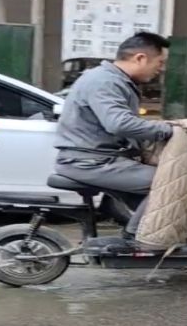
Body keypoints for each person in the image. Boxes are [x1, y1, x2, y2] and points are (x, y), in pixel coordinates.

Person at [54, 32, 176, 246]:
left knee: (158, 202)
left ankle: (158, 236)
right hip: (90, 162)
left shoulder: (113, 79)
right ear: (140, 58)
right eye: (160, 62)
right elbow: (118, 123)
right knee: (168, 183)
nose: (162, 69)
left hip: (99, 159)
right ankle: (137, 239)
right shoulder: (105, 81)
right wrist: (166, 130)